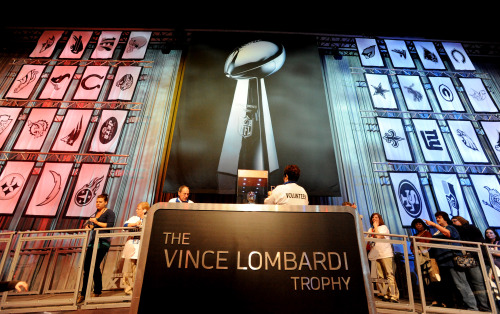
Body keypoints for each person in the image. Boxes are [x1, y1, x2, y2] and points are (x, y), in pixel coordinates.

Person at [424, 211, 478, 310]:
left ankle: (472, 307)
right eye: (436, 218)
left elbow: (448, 234)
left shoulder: (450, 227)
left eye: (439, 217)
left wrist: (434, 224)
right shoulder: (438, 231)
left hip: (452, 260)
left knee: (461, 283)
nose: (437, 219)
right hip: (442, 261)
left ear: (445, 218)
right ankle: (456, 304)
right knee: (449, 285)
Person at [77, 193, 116, 304]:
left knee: (94, 265)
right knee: (87, 267)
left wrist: (96, 222)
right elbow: (90, 226)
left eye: (100, 202)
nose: (97, 204)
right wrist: (88, 226)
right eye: (97, 202)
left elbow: (110, 225)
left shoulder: (109, 212)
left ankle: (96, 290)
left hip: (103, 242)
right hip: (93, 242)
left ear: (105, 202)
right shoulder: (95, 213)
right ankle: (84, 293)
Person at [451, 216, 490, 311]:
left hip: (478, 257)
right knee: (474, 283)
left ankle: (486, 306)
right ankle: (480, 305)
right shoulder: (459, 230)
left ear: (461, 220)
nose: (453, 223)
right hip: (470, 258)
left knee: (479, 283)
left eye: (455, 221)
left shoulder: (470, 227)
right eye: (452, 222)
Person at [367, 213, 399, 303]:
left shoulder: (383, 227)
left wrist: (376, 227)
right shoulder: (370, 229)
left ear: (380, 219)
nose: (374, 218)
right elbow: (368, 241)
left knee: (389, 274)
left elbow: (378, 236)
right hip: (375, 255)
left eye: (376, 217)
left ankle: (393, 295)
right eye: (373, 217)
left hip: (385, 254)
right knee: (380, 276)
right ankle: (385, 294)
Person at [122, 201, 150, 295]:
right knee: (128, 268)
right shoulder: (134, 218)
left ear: (144, 210)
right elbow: (125, 226)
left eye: (138, 208)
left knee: (140, 269)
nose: (136, 210)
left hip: (143, 245)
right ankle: (128, 290)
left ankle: (138, 290)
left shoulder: (149, 219)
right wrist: (134, 224)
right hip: (132, 244)